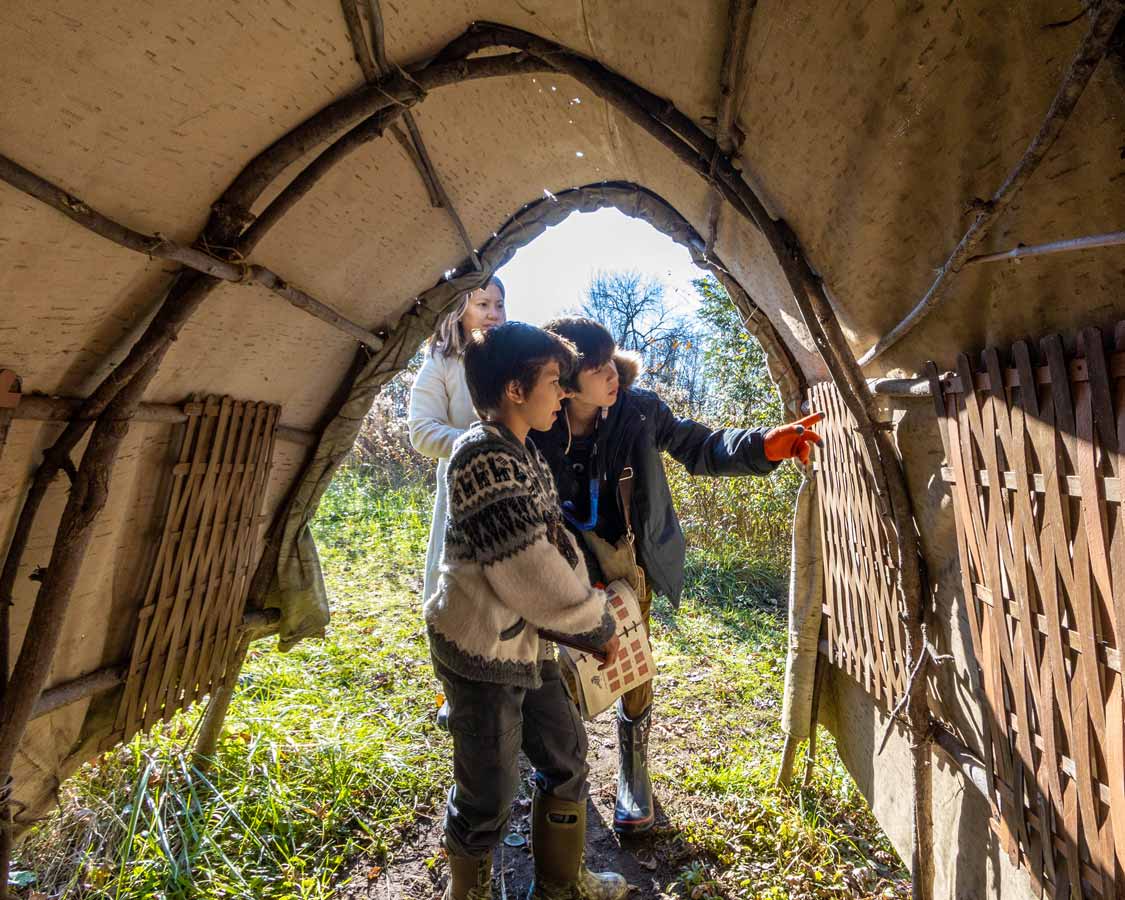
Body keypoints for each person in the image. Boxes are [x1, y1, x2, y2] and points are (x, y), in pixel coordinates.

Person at [536, 317, 822, 835]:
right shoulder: (538, 422)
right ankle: (561, 770)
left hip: (630, 556)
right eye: (596, 368)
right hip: (559, 564)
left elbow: (700, 445)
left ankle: (633, 770)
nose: (611, 375)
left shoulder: (638, 409)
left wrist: (763, 447)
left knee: (633, 659)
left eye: (611, 360)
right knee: (562, 668)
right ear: (565, 381)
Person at [424, 322, 629, 900]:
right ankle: (469, 892)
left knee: (565, 756)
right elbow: (527, 568)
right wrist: (594, 625)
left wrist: (582, 608)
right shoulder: (481, 458)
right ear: (515, 389)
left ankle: (561, 884)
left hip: (527, 642)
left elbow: (554, 544)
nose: (562, 392)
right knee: (488, 789)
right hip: (482, 649)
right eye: (551, 381)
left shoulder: (523, 455)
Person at [409, 276, 507, 606]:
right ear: (459, 312)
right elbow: (422, 432)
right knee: (457, 586)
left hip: (513, 490)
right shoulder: (441, 362)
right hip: (463, 488)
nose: (493, 314)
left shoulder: (516, 361)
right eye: (483, 305)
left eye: (499, 305)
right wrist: (481, 442)